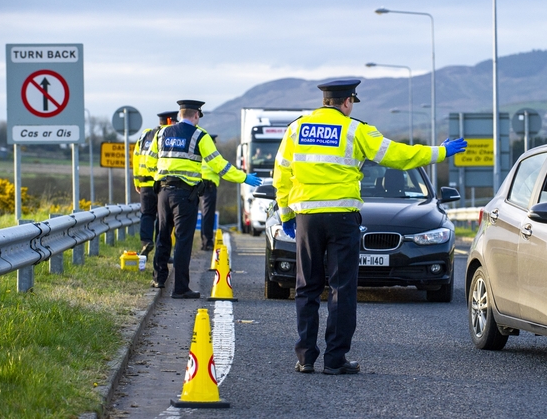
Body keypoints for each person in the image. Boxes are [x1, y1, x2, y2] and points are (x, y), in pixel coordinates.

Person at [273, 79, 467, 375]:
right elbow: (398, 156)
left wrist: (286, 213)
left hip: (307, 218)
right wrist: (439, 153)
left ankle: (305, 357)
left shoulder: (296, 128)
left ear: (325, 100)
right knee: (342, 288)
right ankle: (335, 360)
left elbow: (282, 173)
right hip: (342, 218)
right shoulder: (356, 130)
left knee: (307, 287)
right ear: (347, 102)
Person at [145, 100, 262, 298]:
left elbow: (149, 160)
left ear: (180, 114)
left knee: (163, 235)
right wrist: (243, 177)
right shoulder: (200, 135)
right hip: (184, 196)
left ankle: (159, 278)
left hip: (163, 192)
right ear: (196, 115)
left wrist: (157, 180)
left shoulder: (162, 133)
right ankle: (180, 288)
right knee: (183, 239)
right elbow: (219, 165)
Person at [133, 111, 177, 258]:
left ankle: (146, 241)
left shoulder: (145, 135)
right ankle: (161, 249)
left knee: (147, 214)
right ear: (170, 120)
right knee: (163, 218)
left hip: (144, 182)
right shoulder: (167, 136)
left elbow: (136, 158)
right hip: (161, 183)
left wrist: (136, 181)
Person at [199, 134, 220, 251]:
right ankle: (207, 242)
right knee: (208, 215)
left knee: (204, 214)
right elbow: (219, 167)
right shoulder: (211, 153)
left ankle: (205, 241)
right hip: (209, 186)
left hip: (201, 185)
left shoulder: (201, 152)